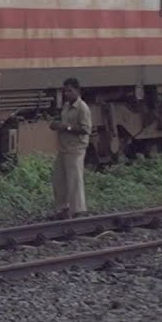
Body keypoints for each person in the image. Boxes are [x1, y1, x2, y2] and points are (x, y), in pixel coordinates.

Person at [49, 77, 92, 219]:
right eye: (65, 90)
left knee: (74, 179)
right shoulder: (67, 106)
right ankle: (63, 208)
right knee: (59, 179)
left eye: (70, 90)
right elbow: (63, 122)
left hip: (76, 148)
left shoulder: (82, 108)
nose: (66, 93)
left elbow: (86, 129)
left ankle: (78, 209)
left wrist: (66, 127)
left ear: (77, 91)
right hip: (64, 147)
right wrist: (56, 124)